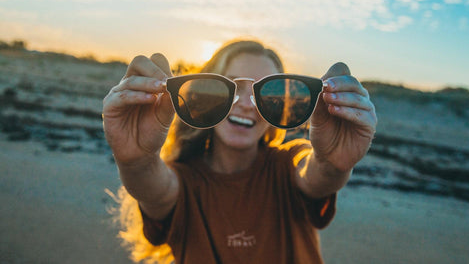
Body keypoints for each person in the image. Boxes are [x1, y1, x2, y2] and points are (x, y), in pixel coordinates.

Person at [102, 40, 377, 264]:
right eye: (231, 86)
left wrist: (333, 164)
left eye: (265, 91)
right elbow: (151, 186)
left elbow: (317, 176)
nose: (247, 104)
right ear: (204, 94)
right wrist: (136, 161)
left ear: (278, 104)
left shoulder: (286, 165)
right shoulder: (184, 183)